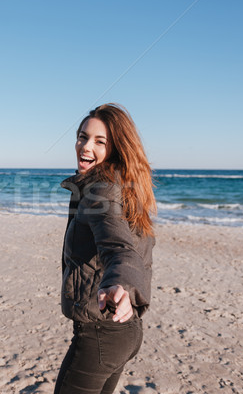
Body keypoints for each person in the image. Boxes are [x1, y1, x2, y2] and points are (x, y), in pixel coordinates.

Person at [54, 103, 157, 394]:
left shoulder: (100, 189)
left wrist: (119, 283)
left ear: (116, 148)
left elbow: (119, 247)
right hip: (126, 329)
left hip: (100, 333)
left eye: (100, 141)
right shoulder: (127, 186)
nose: (85, 146)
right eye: (82, 136)